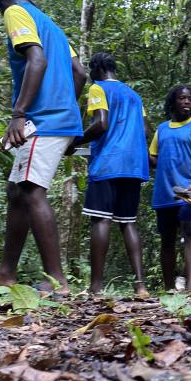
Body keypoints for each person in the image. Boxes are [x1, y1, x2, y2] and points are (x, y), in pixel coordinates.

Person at [0, 0, 86, 295]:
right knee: (17, 191)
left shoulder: (16, 12)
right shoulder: (52, 26)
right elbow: (79, 72)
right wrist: (67, 109)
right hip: (57, 118)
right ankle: (5, 272)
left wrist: (19, 113)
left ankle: (57, 281)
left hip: (43, 119)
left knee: (31, 191)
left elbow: (36, 59)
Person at [65, 53, 150, 297]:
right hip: (134, 166)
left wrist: (75, 141)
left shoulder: (98, 89)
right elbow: (145, 130)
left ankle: (96, 286)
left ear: (97, 69)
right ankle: (141, 286)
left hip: (108, 163)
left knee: (101, 220)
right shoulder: (134, 95)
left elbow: (101, 124)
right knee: (128, 222)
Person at [149, 85, 191, 290]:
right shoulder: (162, 129)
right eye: (182, 98)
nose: (186, 102)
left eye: (190, 99)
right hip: (164, 193)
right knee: (167, 241)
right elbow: (154, 159)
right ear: (173, 102)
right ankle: (168, 289)